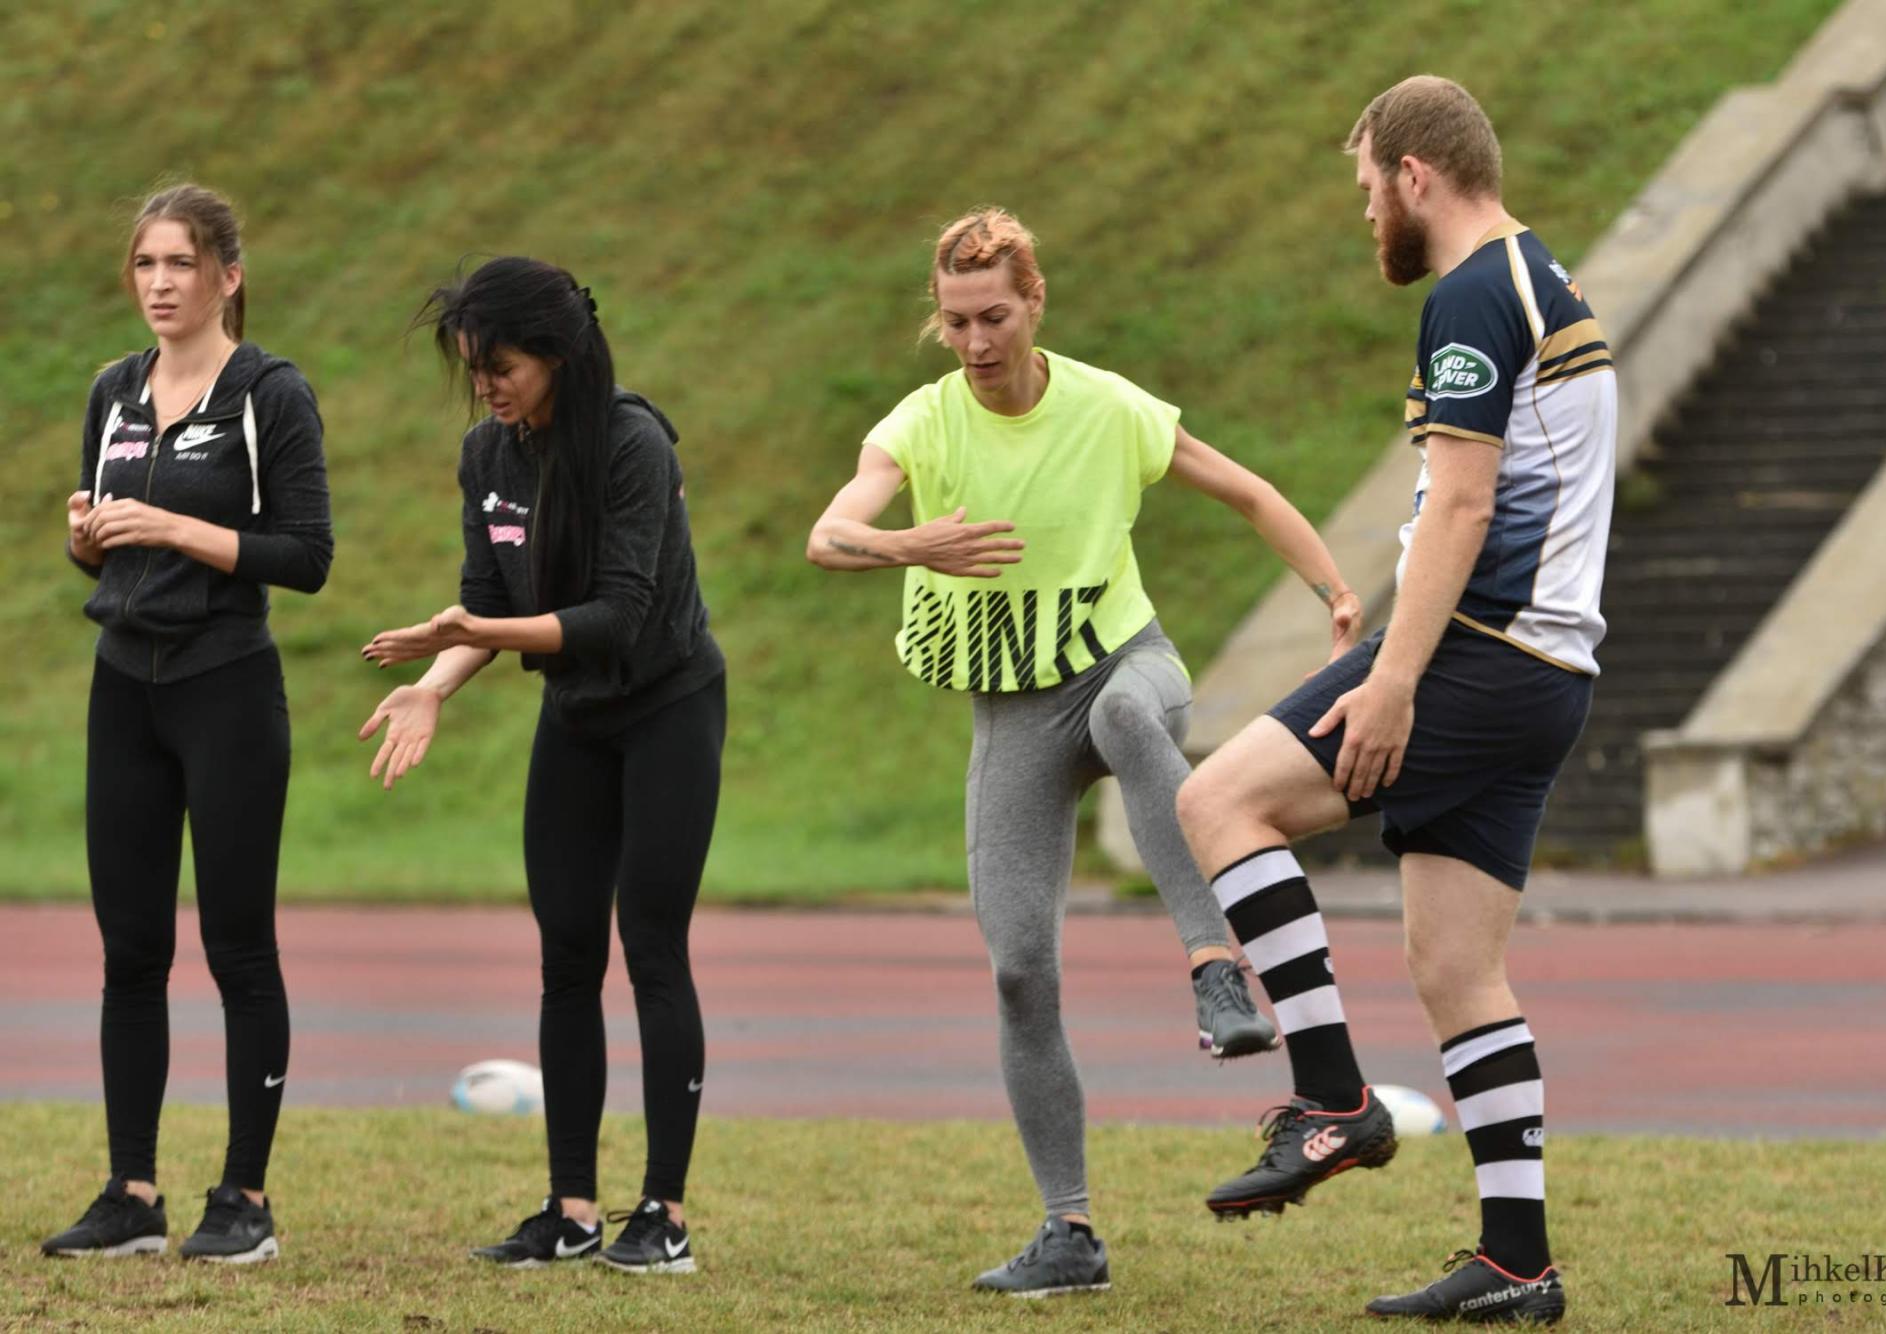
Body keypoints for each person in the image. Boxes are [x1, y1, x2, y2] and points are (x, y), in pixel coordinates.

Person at [807, 207, 1362, 1297]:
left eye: (995, 316)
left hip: (1126, 664)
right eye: (956, 321)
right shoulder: (922, 423)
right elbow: (829, 533)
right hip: (1013, 715)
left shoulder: (1107, 407)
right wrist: (909, 544)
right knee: (1019, 970)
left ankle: (1216, 970)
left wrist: (1335, 591)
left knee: (1122, 717)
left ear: (1036, 302)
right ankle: (1068, 1230)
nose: (976, 342)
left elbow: (1246, 490)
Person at [1175, 77, 1615, 1324]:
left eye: (1367, 183)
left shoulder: (1469, 291)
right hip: (1549, 672)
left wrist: (1394, 680)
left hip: (1479, 651)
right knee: (1457, 968)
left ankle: (1331, 1100)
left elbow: (1466, 505)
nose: (1364, 208)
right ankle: (1518, 1260)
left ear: (1414, 174)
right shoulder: (1542, 274)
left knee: (1218, 801)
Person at [358, 257, 726, 1276]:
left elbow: (619, 615)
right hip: (574, 715)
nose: (485, 385)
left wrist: (475, 631)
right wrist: (436, 683)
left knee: (651, 945)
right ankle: (571, 1210)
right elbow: (484, 599)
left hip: (668, 707)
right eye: (473, 367)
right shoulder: (487, 453)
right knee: (566, 953)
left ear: (557, 354)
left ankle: (664, 1214)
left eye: (501, 366)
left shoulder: (632, 443)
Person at [43, 184, 334, 1264]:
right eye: (144, 264)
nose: (159, 284)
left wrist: (171, 524)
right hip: (124, 686)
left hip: (226, 687)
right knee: (130, 949)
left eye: (180, 264)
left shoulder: (270, 393)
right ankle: (132, 1192)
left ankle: (244, 1197)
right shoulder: (112, 391)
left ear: (228, 276)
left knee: (237, 946)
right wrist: (89, 539)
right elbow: (101, 549)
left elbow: (307, 556)